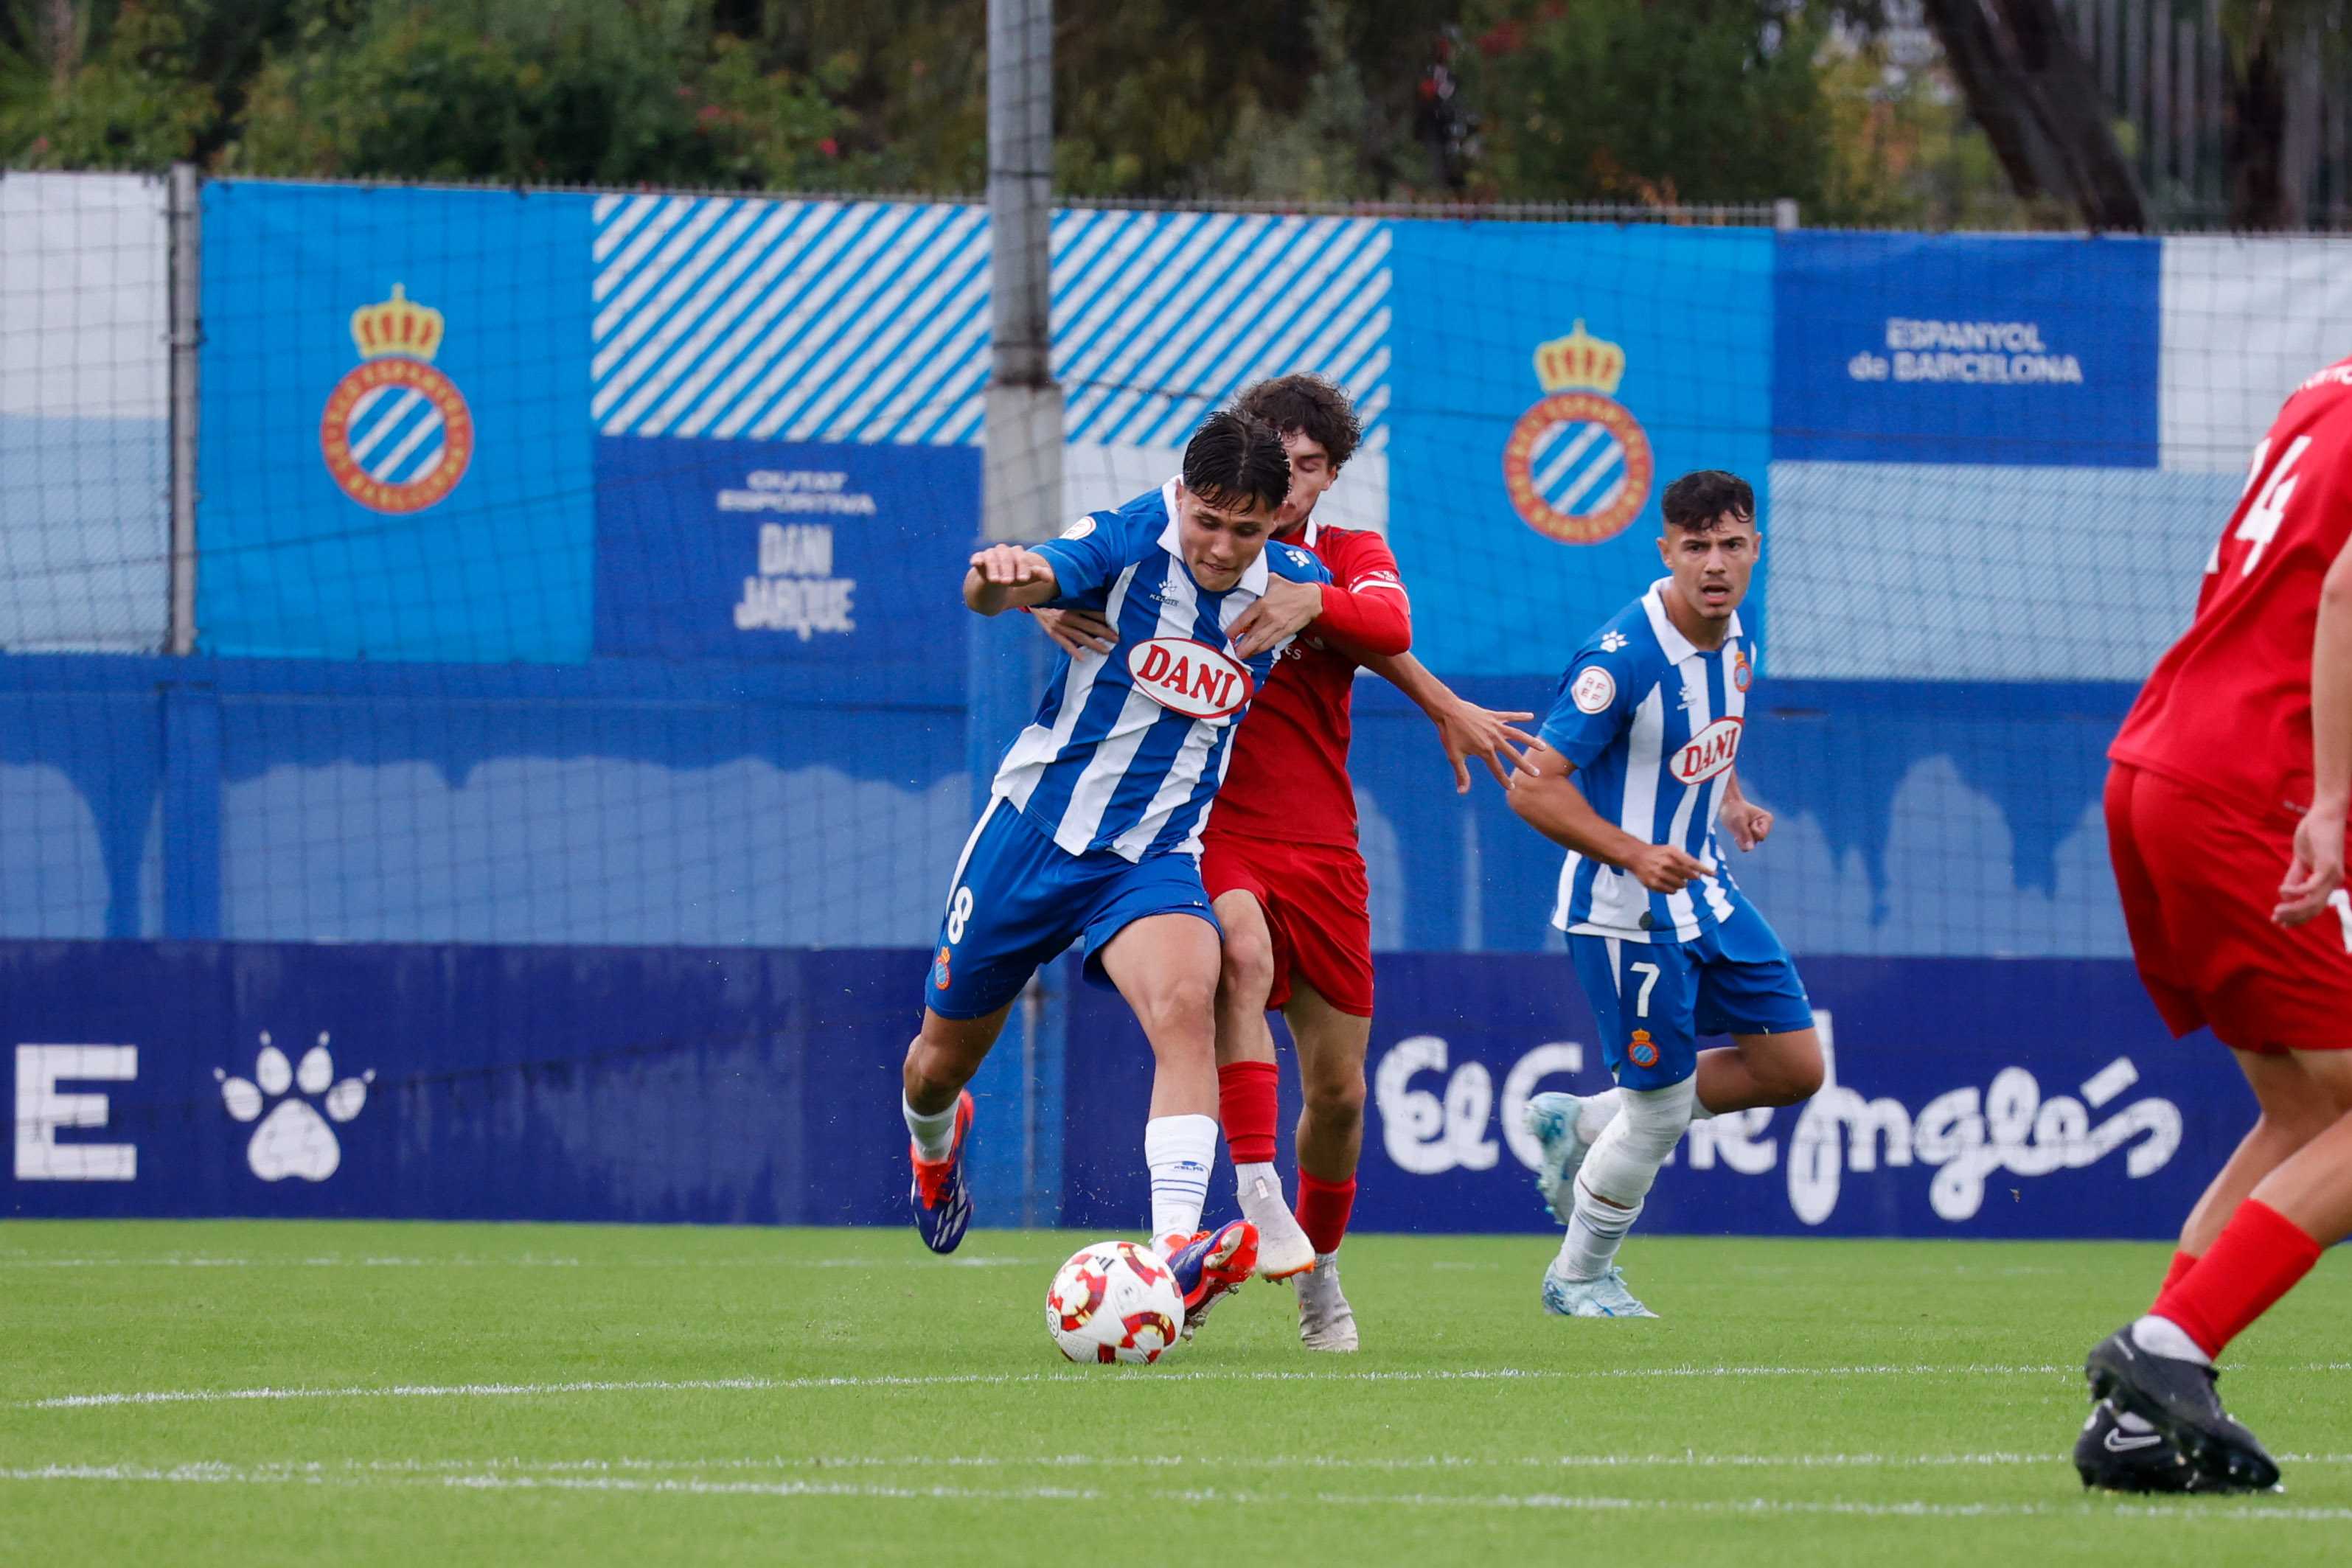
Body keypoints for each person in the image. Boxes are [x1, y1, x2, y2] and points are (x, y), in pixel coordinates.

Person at [1033, 374, 1533, 1351]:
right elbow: (1070, 570)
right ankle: (1256, 1194)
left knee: (1341, 1090)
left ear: (1331, 474)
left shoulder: (1343, 559)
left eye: (1307, 467)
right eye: (1276, 460)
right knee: (1238, 951)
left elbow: (1389, 628)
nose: (1288, 481)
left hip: (1324, 849)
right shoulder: (1199, 548)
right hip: (1215, 826)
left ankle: (1320, 1268)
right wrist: (1038, 608)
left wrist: (1323, 604)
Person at [901, 408, 1331, 1332]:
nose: (1220, 547)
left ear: (1275, 524)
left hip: (1155, 854)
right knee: (937, 1066)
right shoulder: (1130, 538)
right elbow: (1018, 584)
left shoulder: (1298, 583)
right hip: (1033, 835)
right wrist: (1002, 579)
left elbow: (1384, 622)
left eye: (1245, 529)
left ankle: (1171, 1254)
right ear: (1182, 495)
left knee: (1186, 1002)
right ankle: (934, 1149)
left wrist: (1325, 600)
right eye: (1207, 520)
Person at [2077, 352, 2352, 1495]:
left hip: (2162, 763)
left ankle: (2142, 1420)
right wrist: (2331, 797)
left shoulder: (2320, 391)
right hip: (2258, 786)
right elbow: (2344, 592)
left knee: (2302, 1108)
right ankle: (2169, 1346)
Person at [1504, 470, 1824, 1318]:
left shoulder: (1736, 635)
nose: (1714, 564)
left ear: (1755, 548)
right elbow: (1532, 787)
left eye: (1730, 545)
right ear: (1666, 552)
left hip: (1704, 889)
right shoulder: (1622, 656)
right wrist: (1634, 852)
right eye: (1696, 548)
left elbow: (1696, 739)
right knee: (1657, 1114)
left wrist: (1729, 799)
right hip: (1623, 909)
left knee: (1793, 1066)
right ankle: (1577, 1277)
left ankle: (1580, 1122)